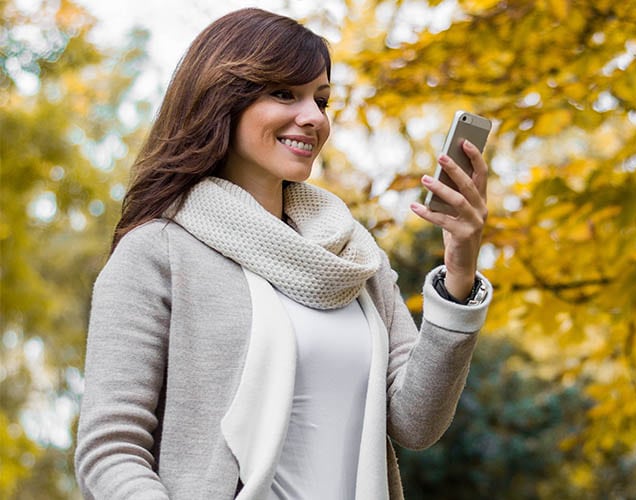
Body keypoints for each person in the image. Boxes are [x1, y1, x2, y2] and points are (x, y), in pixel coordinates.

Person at [74, 8, 492, 500]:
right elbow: (110, 450)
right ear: (221, 98)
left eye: (321, 99)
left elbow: (415, 423)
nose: (314, 117)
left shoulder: (352, 254)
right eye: (283, 93)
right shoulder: (157, 252)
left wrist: (460, 266)